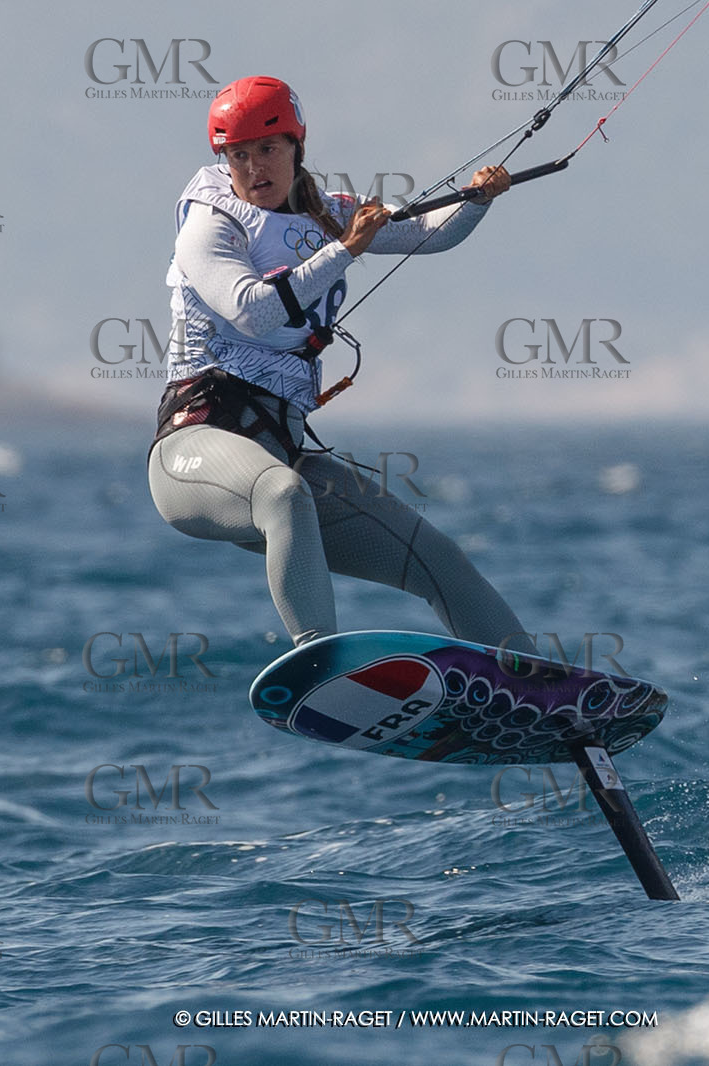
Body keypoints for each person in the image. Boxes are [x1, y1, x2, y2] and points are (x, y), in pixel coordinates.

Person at [147, 75, 534, 654]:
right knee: (282, 493)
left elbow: (428, 233)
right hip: (193, 451)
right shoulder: (211, 223)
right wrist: (347, 251)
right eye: (239, 155)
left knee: (436, 557)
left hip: (283, 447)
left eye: (268, 150)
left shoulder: (328, 213)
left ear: (297, 148)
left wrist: (477, 199)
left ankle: (544, 693)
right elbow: (252, 311)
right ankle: (318, 663)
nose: (255, 168)